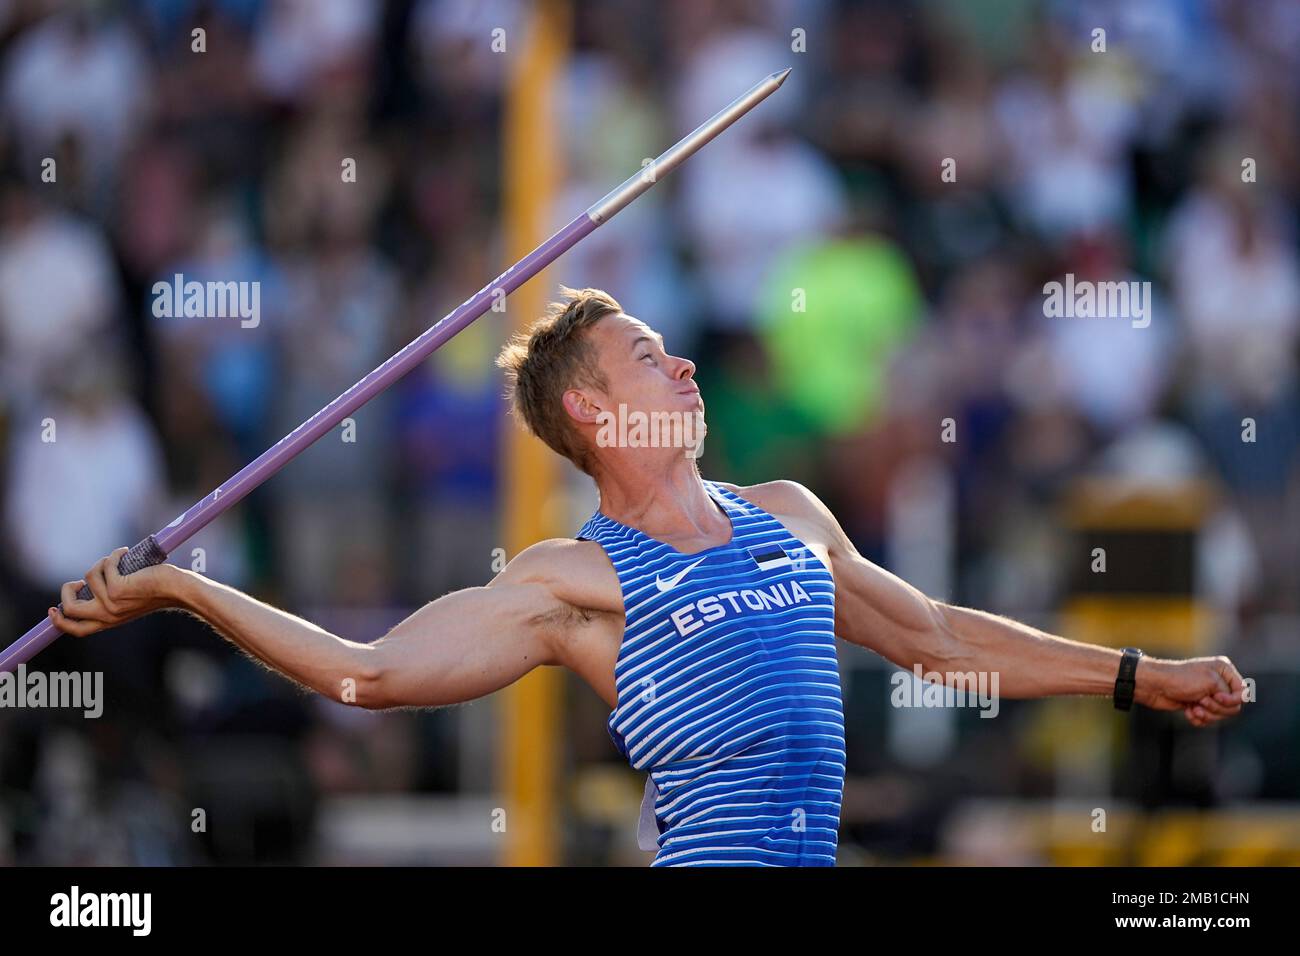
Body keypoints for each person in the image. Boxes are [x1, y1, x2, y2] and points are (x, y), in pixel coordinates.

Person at [48, 286, 1248, 867]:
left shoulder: (787, 514)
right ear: (591, 409)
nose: (680, 361)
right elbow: (366, 677)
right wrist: (186, 591)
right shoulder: (570, 578)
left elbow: (936, 638)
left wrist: (1137, 673)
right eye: (645, 356)